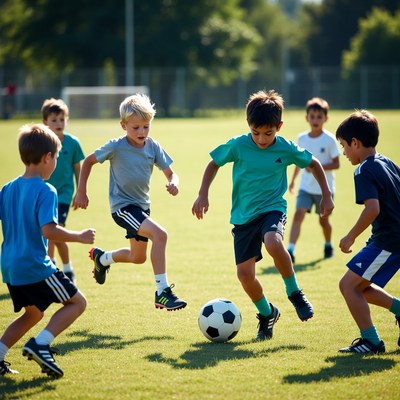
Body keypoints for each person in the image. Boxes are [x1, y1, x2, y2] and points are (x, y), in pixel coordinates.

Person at [192, 90, 334, 341]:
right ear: (249, 126)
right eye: (256, 132)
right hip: (243, 217)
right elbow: (213, 163)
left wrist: (326, 195)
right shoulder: (238, 145)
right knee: (245, 276)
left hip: (272, 208)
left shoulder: (286, 148)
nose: (261, 139)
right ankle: (267, 314)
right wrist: (203, 194)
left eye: (268, 133)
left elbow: (314, 164)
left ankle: (294, 293)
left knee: (273, 241)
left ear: (279, 127)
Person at [74, 93, 187, 311]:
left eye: (146, 127)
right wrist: (82, 191)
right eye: (136, 128)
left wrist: (174, 183)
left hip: (142, 208)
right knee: (160, 235)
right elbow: (88, 162)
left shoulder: (153, 147)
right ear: (123, 125)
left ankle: (102, 258)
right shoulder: (116, 146)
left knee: (137, 257)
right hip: (123, 208)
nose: (142, 132)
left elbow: (172, 173)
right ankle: (162, 292)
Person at [0, 124, 95, 377]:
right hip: (34, 265)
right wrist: (80, 236)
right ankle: (40, 345)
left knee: (33, 313)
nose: (55, 163)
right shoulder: (46, 190)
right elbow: (49, 231)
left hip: (10, 267)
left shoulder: (7, 188)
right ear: (47, 158)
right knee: (77, 302)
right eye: (56, 157)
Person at [336, 110, 400, 354]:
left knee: (348, 286)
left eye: (344, 146)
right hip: (389, 238)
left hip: (388, 240)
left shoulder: (363, 170)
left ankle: (371, 341)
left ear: (355, 142)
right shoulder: (387, 162)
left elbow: (372, 209)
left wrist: (350, 235)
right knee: (360, 286)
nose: (344, 152)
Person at [287, 97, 340, 263]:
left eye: (319, 116)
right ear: (306, 118)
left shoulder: (330, 140)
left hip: (324, 190)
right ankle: (290, 250)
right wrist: (294, 180)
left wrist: (317, 167)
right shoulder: (302, 139)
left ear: (326, 118)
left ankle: (328, 244)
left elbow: (336, 163)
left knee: (323, 221)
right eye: (312, 116)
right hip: (305, 187)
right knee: (298, 215)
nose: (315, 120)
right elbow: (297, 161)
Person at [42, 98, 85, 283]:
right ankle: (67, 269)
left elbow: (78, 167)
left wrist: (80, 190)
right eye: (54, 120)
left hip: (64, 195)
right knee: (55, 235)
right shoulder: (41, 143)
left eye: (62, 119)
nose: (59, 123)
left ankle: (51, 271)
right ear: (45, 122)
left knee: (53, 231)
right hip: (44, 194)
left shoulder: (73, 143)